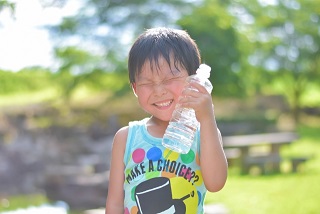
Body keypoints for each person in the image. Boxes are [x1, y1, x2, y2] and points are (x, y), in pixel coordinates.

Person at [105, 27, 228, 214]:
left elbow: (216, 183)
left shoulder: (204, 134)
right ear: (135, 88)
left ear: (195, 79)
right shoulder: (126, 138)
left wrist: (207, 118)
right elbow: (114, 203)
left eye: (170, 78)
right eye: (147, 82)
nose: (159, 90)